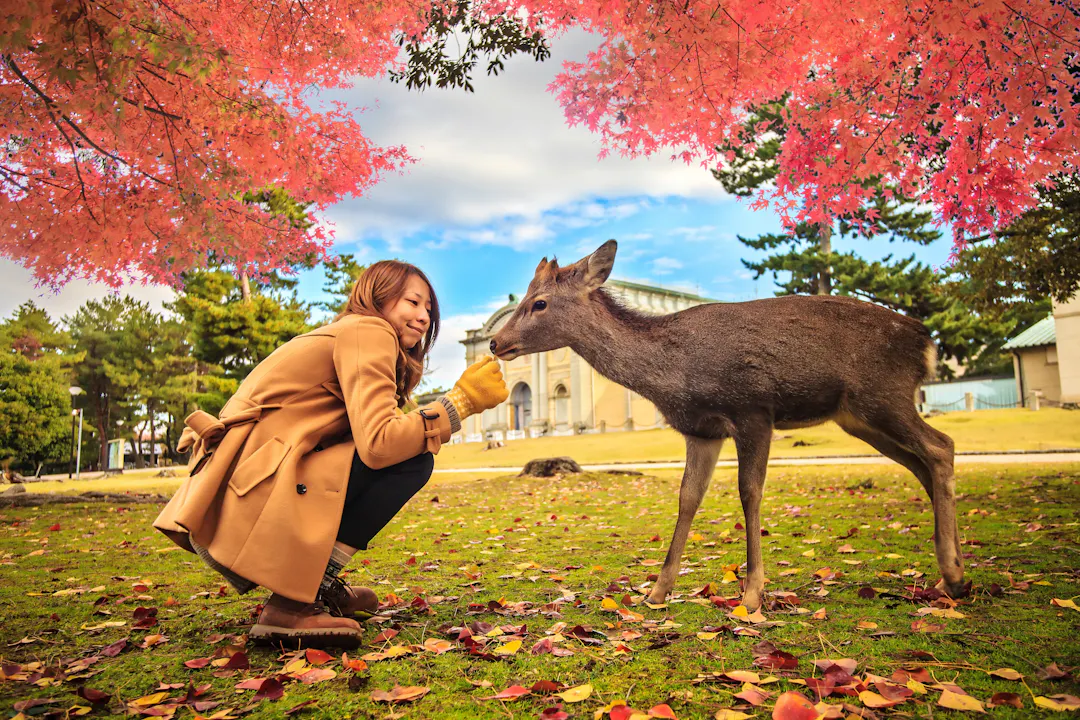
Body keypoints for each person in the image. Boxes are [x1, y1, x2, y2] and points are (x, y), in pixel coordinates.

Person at [153, 261, 509, 648]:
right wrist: (459, 403)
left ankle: (308, 587)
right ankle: (293, 602)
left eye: (430, 310)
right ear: (378, 295)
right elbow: (380, 443)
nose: (423, 317)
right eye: (413, 302)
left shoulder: (348, 333)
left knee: (407, 451)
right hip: (257, 484)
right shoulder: (369, 330)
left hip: (242, 483)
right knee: (411, 460)